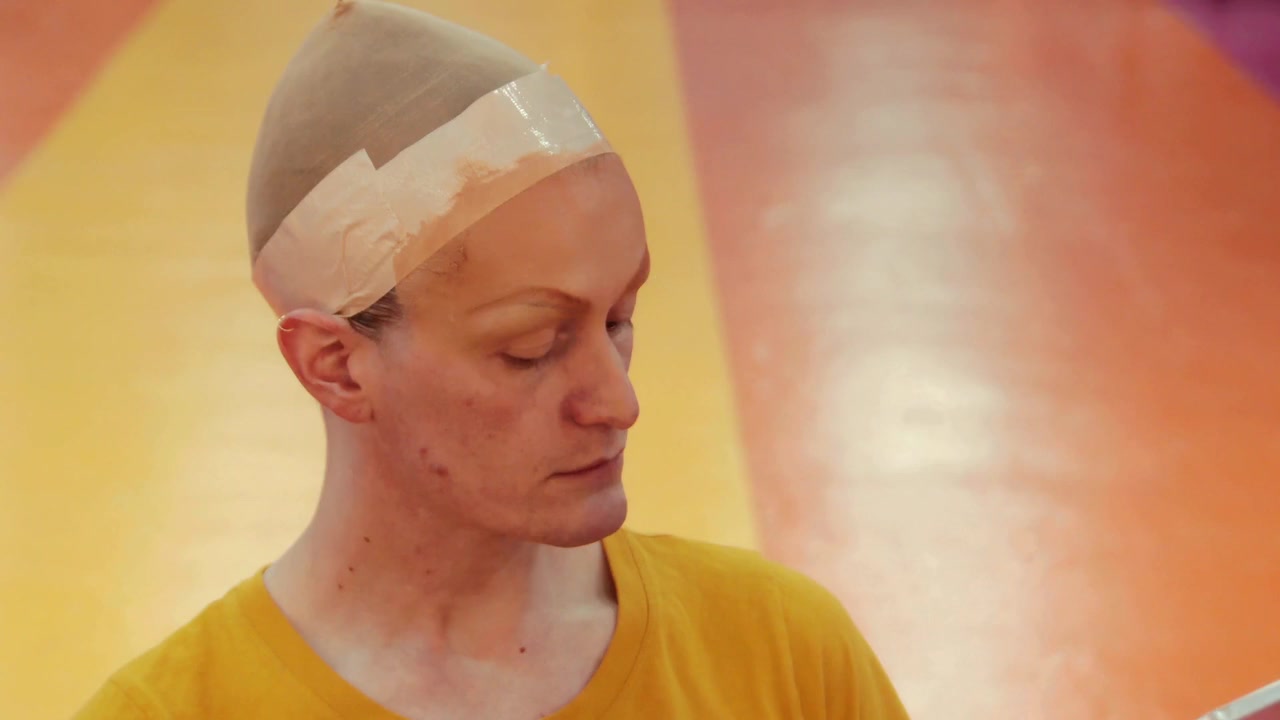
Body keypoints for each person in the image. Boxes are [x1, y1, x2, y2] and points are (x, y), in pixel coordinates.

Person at [72, 1, 910, 718]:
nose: (618, 402)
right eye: (531, 349)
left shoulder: (782, 658)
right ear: (335, 365)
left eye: (619, 319)